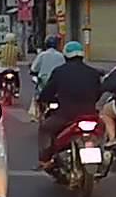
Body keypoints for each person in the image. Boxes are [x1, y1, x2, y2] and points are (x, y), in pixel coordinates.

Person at [37, 41, 102, 169]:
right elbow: (98, 93)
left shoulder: (59, 72)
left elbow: (46, 93)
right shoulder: (93, 73)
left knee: (45, 129)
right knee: (101, 132)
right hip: (90, 115)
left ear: (66, 56)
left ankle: (45, 159)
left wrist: (47, 99)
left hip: (66, 116)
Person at [29, 35, 66, 119]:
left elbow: (34, 68)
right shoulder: (61, 56)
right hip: (57, 84)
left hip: (43, 83)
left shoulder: (42, 55)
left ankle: (37, 115)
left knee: (37, 96)